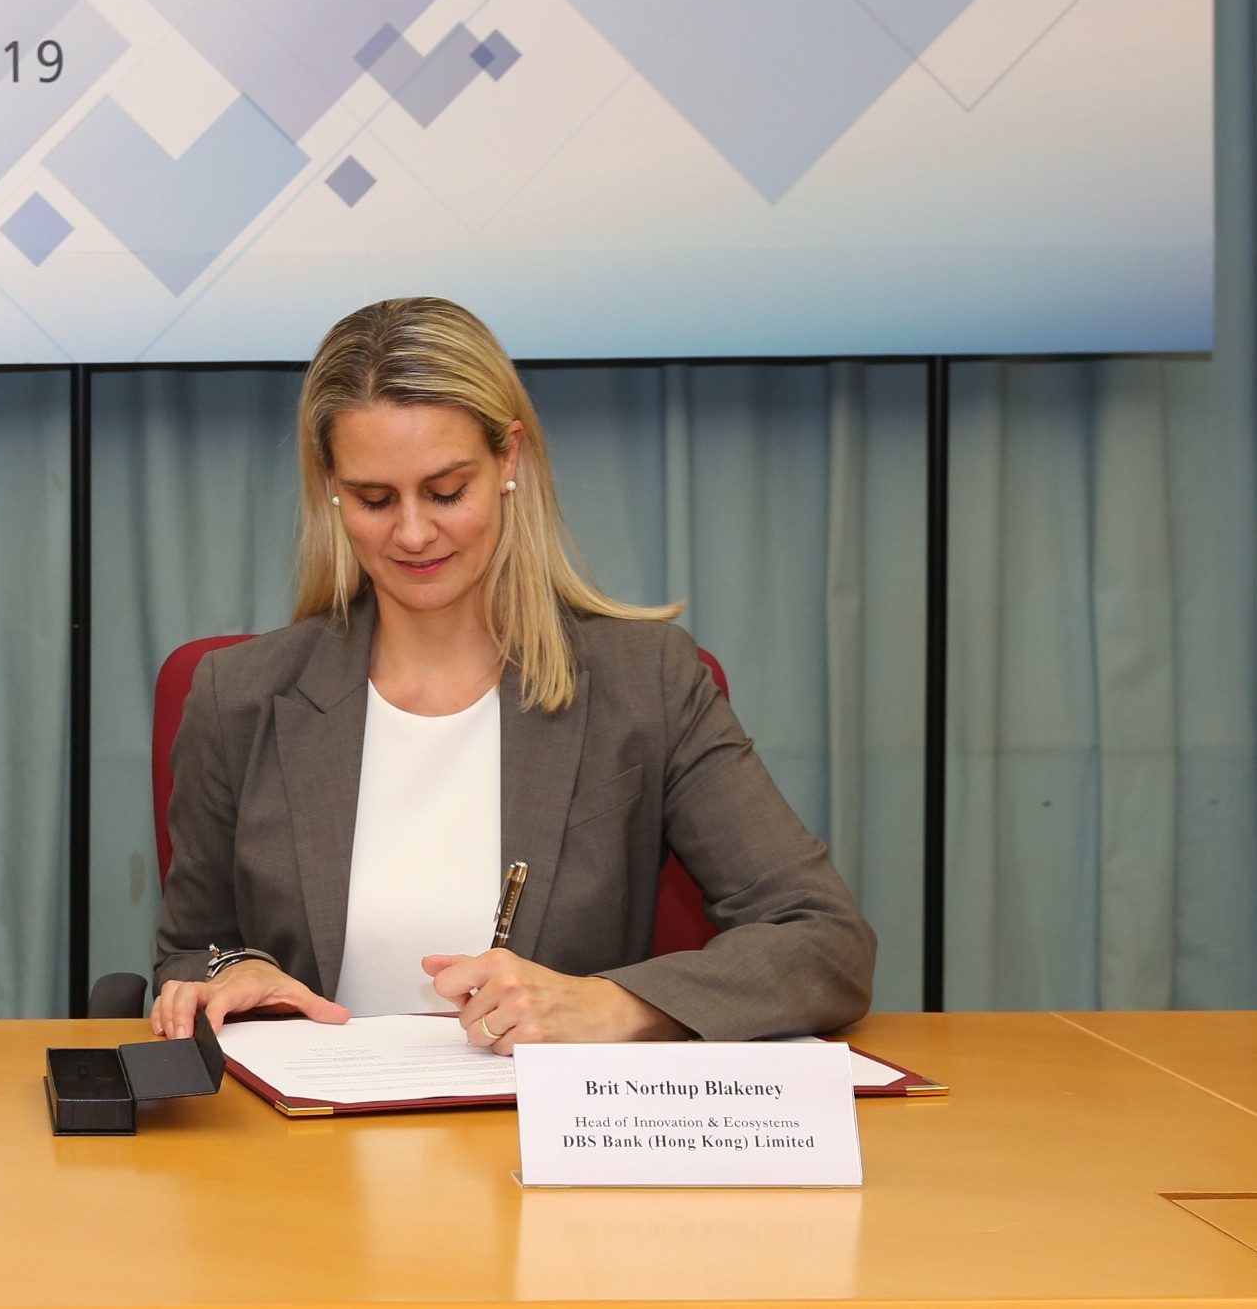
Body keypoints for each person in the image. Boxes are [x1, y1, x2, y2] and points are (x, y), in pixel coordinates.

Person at [149, 298, 874, 1050]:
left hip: (555, 1142)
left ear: (507, 459)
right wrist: (235, 971)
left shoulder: (645, 683)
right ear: (330, 485)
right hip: (308, 1147)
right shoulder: (237, 695)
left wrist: (615, 1004)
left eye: (444, 490)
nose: (412, 532)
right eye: (372, 499)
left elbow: (823, 940)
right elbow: (189, 949)